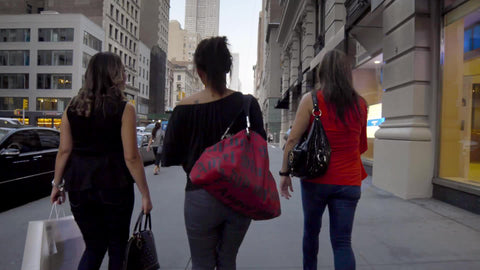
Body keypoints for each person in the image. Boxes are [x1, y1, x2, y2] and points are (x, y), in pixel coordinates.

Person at [162, 36, 266, 270]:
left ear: (199, 71)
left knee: (202, 262)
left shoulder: (183, 109)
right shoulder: (247, 104)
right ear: (227, 68)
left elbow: (171, 156)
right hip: (240, 195)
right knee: (228, 259)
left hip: (200, 195)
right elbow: (260, 147)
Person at [50, 52, 153, 270]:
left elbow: (64, 151)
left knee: (93, 247)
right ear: (115, 75)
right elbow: (131, 157)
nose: (125, 75)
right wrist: (145, 194)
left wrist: (56, 185)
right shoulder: (125, 108)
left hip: (79, 186)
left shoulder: (72, 108)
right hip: (115, 186)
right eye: (123, 70)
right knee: (117, 247)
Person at [279, 50, 368, 270]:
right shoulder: (361, 104)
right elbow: (361, 146)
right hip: (349, 182)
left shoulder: (312, 100)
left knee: (311, 232)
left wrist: (285, 173)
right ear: (347, 73)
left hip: (315, 181)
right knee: (342, 242)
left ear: (323, 73)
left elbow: (292, 140)